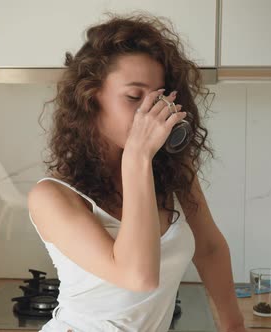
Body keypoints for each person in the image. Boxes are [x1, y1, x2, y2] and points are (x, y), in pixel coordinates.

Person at [28, 11, 246, 332]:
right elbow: (138, 277)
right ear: (91, 97)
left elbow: (210, 248)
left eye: (157, 98)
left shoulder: (172, 170)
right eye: (133, 96)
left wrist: (234, 324)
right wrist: (137, 159)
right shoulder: (50, 197)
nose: (150, 111)